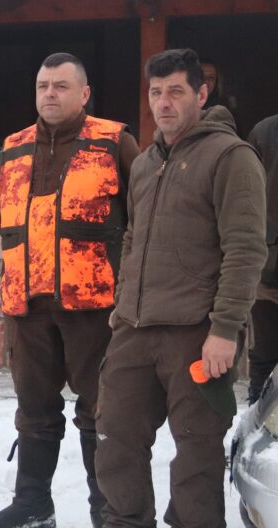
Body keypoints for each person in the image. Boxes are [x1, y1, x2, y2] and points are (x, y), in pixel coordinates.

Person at [96, 48, 266, 527]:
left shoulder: (231, 157)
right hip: (134, 328)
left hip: (196, 332)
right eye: (156, 92)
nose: (164, 103)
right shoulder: (146, 163)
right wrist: (122, 301)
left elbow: (245, 249)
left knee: (196, 452)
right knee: (115, 438)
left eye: (176, 91)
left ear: (201, 94)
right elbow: (133, 237)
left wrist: (225, 329)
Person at [0, 52, 139, 528]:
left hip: (94, 306)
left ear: (85, 93)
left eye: (61, 86)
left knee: (100, 412)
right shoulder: (13, 147)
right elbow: (4, 221)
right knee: (33, 409)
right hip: (27, 305)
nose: (49, 94)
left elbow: (142, 219)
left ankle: (107, 510)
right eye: (43, 86)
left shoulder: (115, 142)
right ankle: (33, 504)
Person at [248, 113, 278, 404]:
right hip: (267, 264)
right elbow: (245, 195)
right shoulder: (264, 132)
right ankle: (257, 419)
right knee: (264, 356)